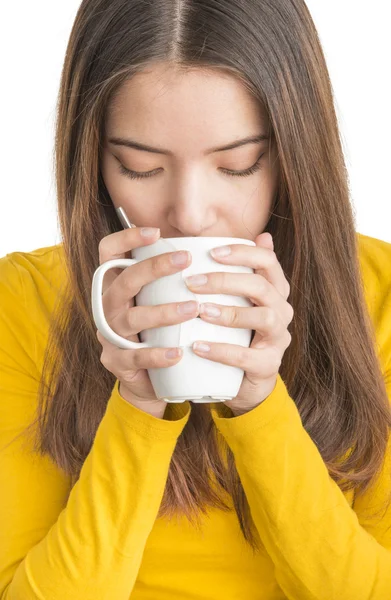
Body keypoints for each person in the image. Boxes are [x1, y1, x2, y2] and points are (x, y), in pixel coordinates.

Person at [1, 0, 390, 598]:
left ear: (294, 155)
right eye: (139, 166)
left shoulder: (381, 295)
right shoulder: (22, 303)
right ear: (92, 156)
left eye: (237, 165)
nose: (190, 215)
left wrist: (261, 408)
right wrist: (135, 404)